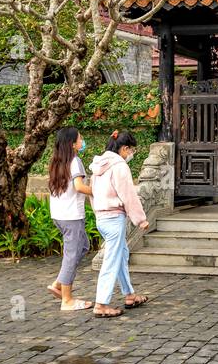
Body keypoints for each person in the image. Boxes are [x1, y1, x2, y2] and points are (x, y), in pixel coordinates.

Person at [90, 130, 151, 319]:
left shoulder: (98, 166)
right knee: (112, 261)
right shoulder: (119, 166)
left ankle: (130, 295)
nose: (131, 154)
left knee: (120, 256)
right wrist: (140, 219)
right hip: (114, 218)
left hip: (101, 217)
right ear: (124, 148)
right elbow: (128, 195)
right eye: (131, 150)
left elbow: (92, 193)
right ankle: (101, 304)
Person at [47, 127, 93, 312]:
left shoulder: (57, 161)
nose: (82, 141)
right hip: (71, 215)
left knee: (83, 247)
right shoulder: (75, 161)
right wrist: (101, 192)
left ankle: (59, 283)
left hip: (59, 214)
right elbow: (79, 186)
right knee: (72, 254)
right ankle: (67, 300)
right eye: (80, 139)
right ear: (72, 144)